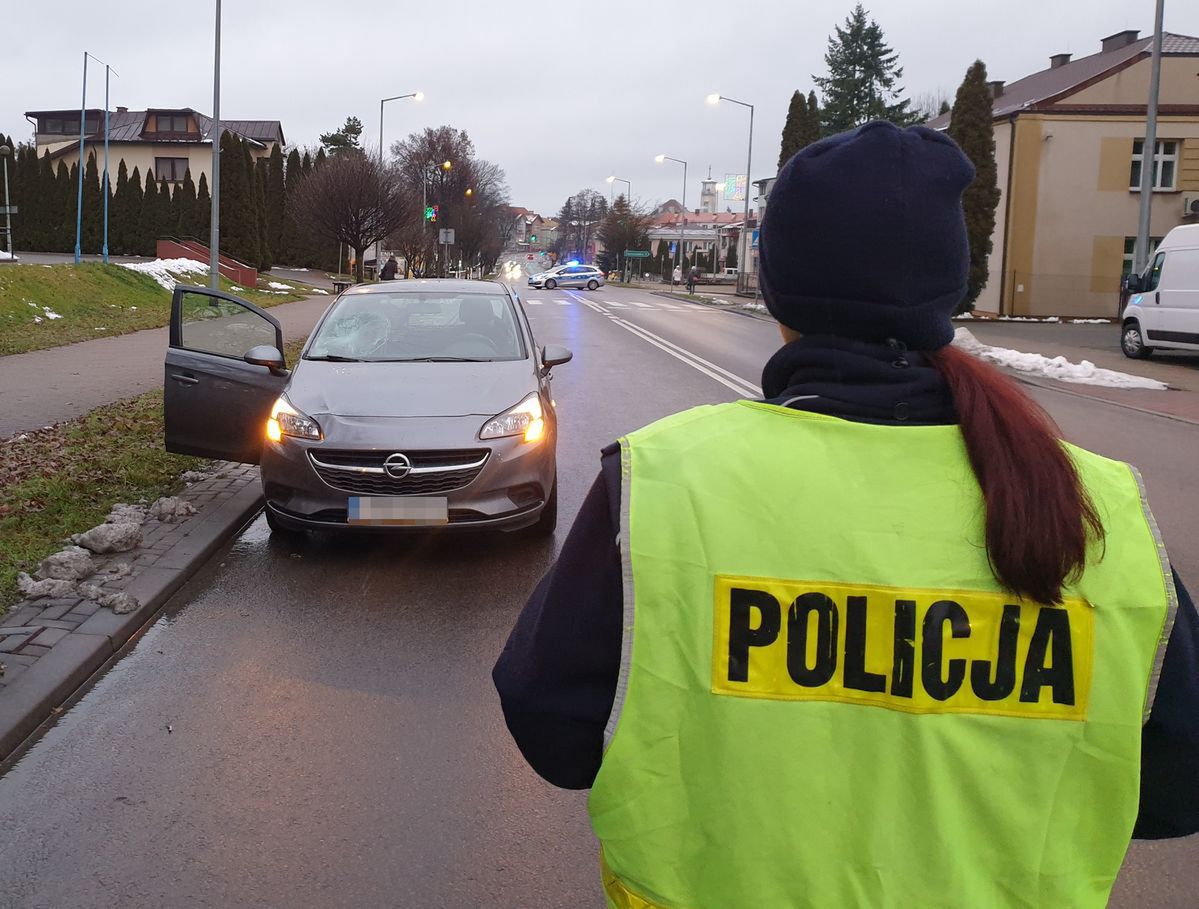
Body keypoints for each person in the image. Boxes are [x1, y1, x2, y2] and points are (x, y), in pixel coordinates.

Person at [493, 121, 1199, 908]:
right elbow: (1175, 788)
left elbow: (547, 720)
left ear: (778, 290)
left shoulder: (665, 484)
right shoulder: (1096, 512)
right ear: (948, 289)